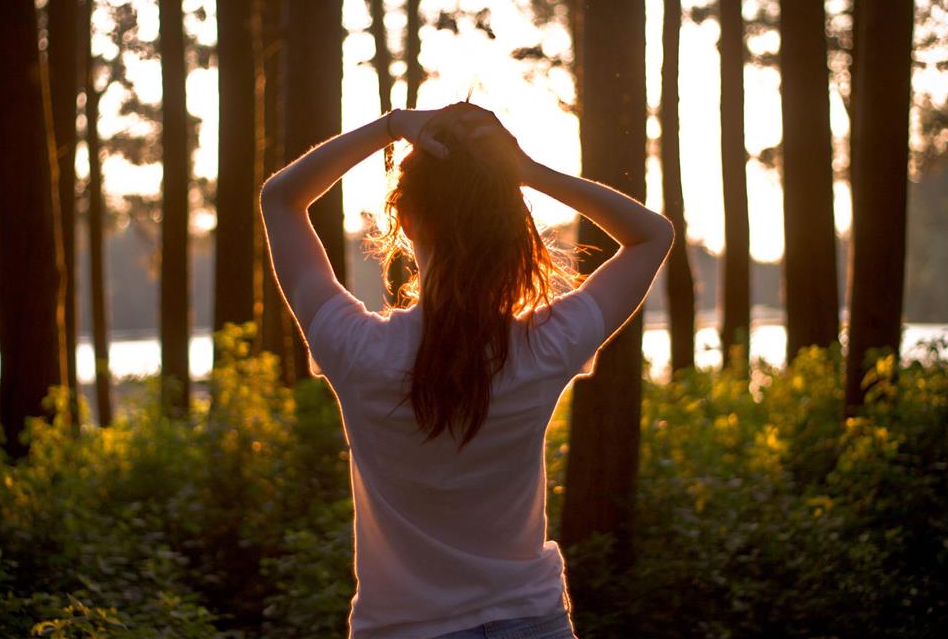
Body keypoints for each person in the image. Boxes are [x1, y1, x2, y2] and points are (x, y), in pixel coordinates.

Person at [259, 102, 674, 639]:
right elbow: (651, 235)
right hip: (530, 622)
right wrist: (525, 172)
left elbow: (281, 199)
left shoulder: (357, 349)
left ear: (405, 220)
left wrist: (389, 126)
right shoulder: (542, 346)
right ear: (507, 225)